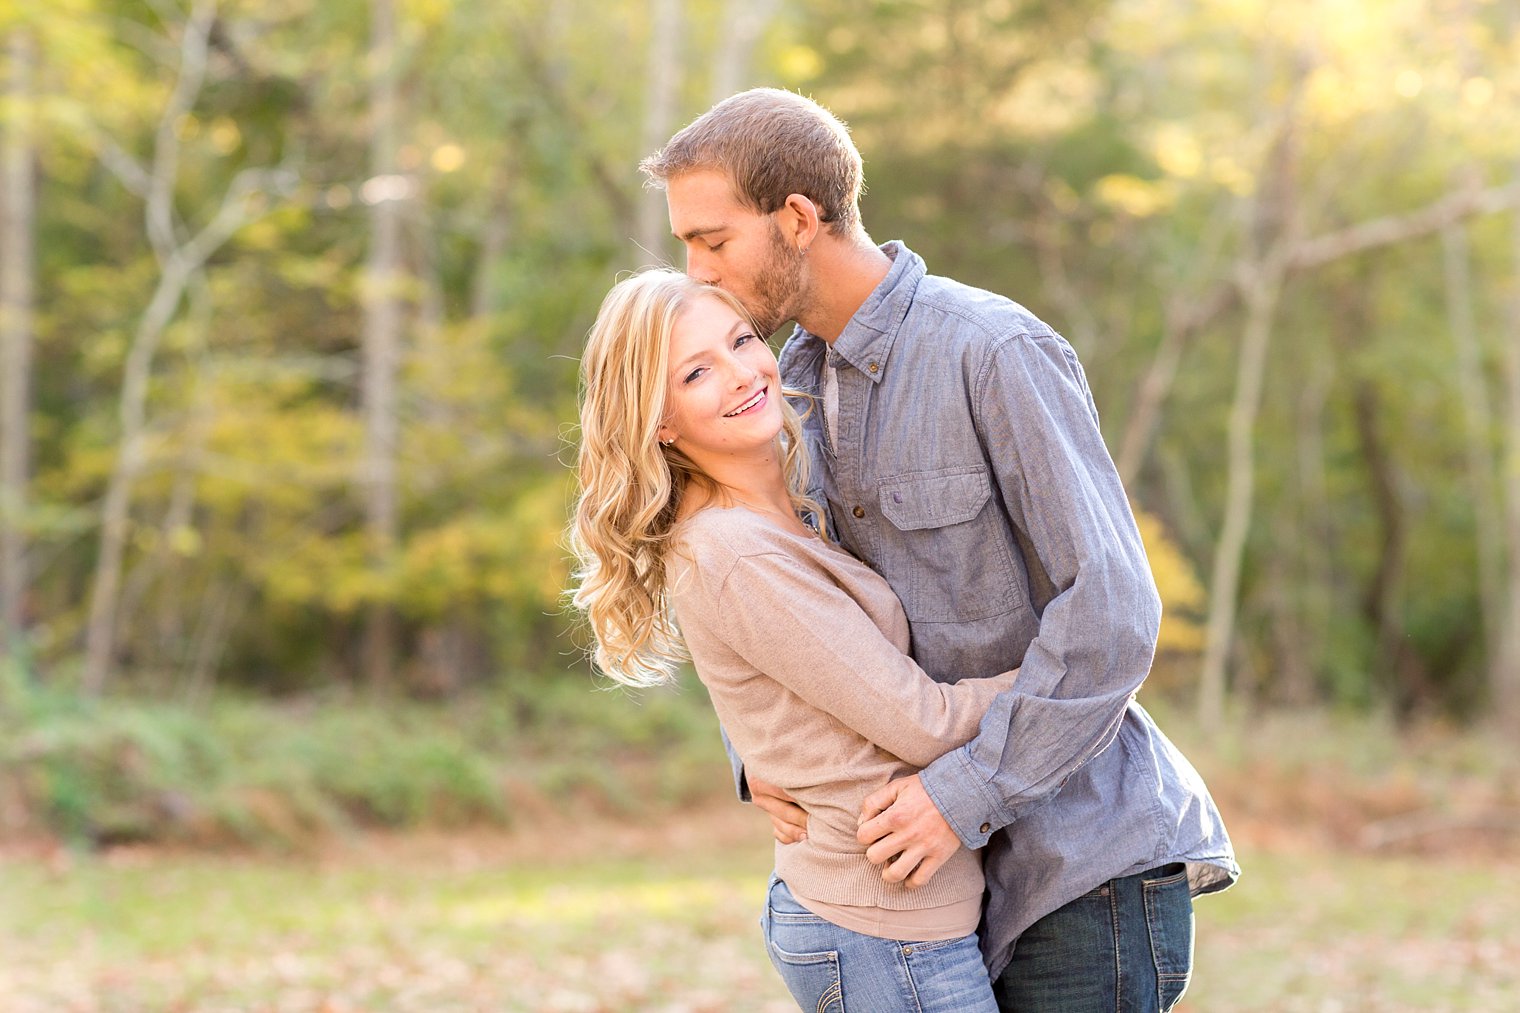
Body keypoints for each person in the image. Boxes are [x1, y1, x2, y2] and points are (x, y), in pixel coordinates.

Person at [640, 88, 1239, 1012]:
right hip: (919, 891)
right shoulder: (785, 385)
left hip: (1078, 867)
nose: (699, 271)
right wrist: (758, 761)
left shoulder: (990, 351)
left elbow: (1114, 613)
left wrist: (962, 792)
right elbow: (778, 603)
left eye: (713, 240)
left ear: (797, 218)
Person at [569, 268, 1027, 1012]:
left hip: (903, 922)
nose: (742, 373)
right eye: (696, 371)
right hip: (881, 932)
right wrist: (1063, 670)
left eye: (742, 340)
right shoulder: (736, 550)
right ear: (660, 420)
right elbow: (924, 721)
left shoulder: (792, 510)